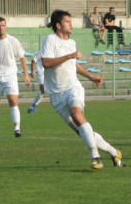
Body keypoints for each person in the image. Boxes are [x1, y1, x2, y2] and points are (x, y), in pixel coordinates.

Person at [40, 10, 123, 170]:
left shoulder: (71, 43)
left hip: (73, 88)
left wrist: (92, 77)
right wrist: (69, 56)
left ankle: (95, 157)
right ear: (58, 25)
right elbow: (46, 63)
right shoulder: (50, 40)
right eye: (67, 22)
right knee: (83, 131)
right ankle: (115, 152)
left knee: (76, 114)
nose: (71, 25)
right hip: (57, 96)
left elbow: (73, 65)